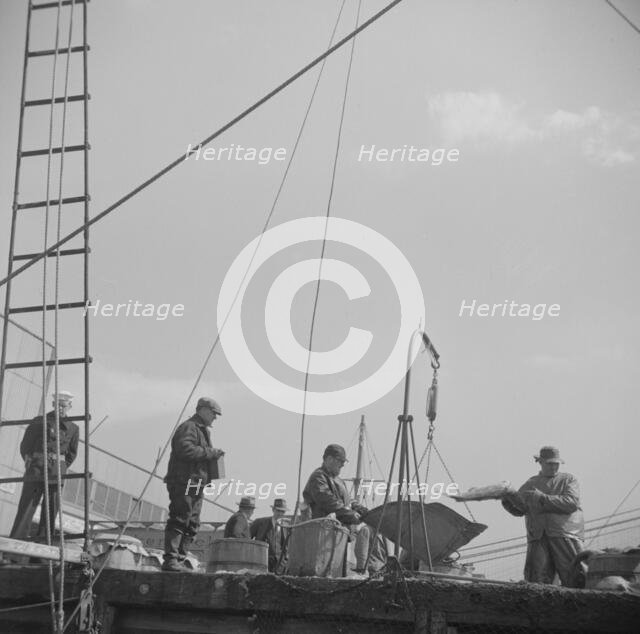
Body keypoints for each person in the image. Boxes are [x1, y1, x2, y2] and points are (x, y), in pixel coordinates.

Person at [502, 446, 584, 586]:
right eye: (550, 464)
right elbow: (521, 509)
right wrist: (507, 501)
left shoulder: (568, 479)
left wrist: (542, 498)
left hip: (564, 534)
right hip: (538, 536)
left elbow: (571, 503)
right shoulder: (531, 483)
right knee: (536, 578)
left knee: (573, 575)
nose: (553, 467)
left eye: (556, 464)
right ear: (540, 463)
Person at [162, 396, 224, 572]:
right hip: (184, 482)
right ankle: (172, 560)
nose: (215, 417)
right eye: (213, 413)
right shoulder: (189, 427)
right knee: (180, 519)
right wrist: (210, 452)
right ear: (203, 410)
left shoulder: (200, 430)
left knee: (192, 522)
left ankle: (179, 560)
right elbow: (185, 449)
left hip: (195, 484)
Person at [10, 391, 79, 541]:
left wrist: (59, 465)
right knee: (27, 508)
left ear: (70, 406)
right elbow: (25, 446)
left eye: (64, 406)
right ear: (53, 404)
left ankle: (41, 551)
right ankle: (13, 553)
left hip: (56, 473)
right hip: (36, 468)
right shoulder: (38, 421)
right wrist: (32, 461)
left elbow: (71, 454)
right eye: (58, 405)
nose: (60, 408)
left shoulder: (73, 428)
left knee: (50, 510)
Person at [302, 444, 373, 574]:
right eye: (340, 461)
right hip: (322, 535)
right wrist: (351, 515)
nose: (342, 465)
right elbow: (328, 501)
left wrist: (361, 510)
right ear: (329, 459)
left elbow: (348, 501)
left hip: (339, 535)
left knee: (338, 569)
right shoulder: (318, 477)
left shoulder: (339, 481)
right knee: (326, 571)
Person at [250, 498, 289, 572]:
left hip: (279, 565)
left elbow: (286, 547)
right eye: (278, 511)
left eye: (282, 512)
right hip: (263, 561)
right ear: (273, 510)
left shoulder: (286, 526)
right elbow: (247, 539)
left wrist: (285, 561)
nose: (280, 514)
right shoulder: (260, 523)